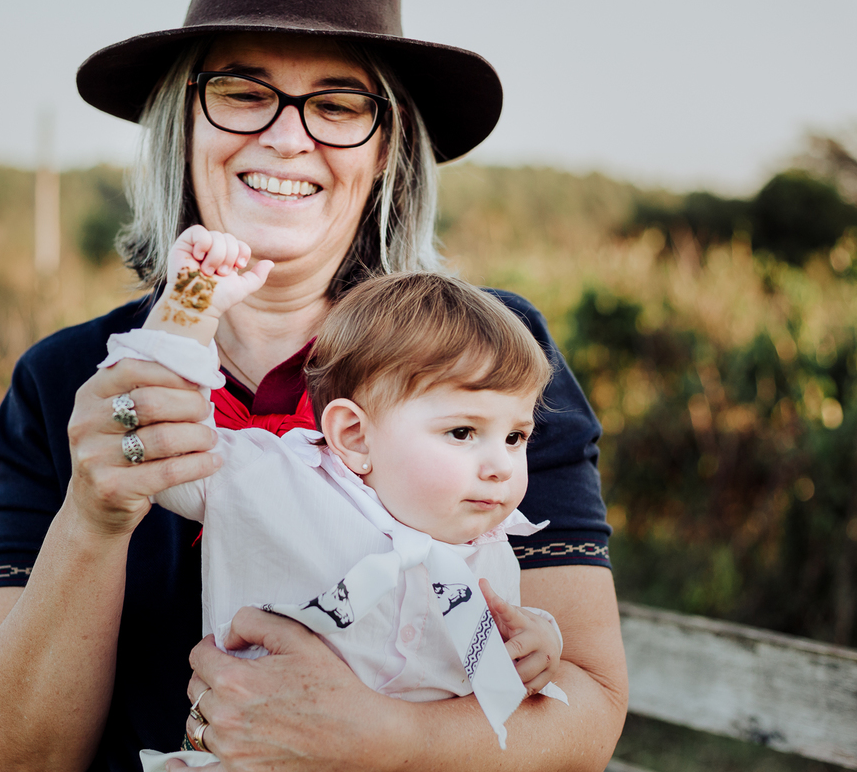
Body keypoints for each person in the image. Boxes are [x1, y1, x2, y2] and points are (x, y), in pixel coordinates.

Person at [0, 0, 628, 770]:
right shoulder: (66, 379)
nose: (287, 137)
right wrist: (95, 517)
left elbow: (586, 706)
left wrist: (388, 742)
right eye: (243, 92)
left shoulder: (485, 359)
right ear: (184, 124)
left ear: (386, 151)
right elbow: (16, 756)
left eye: (339, 105)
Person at [116, 229, 568, 769]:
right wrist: (190, 302)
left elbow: (497, 654)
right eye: (463, 432)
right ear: (355, 436)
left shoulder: (484, 536)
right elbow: (154, 439)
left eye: (515, 436)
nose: (500, 467)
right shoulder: (275, 478)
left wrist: (540, 640)